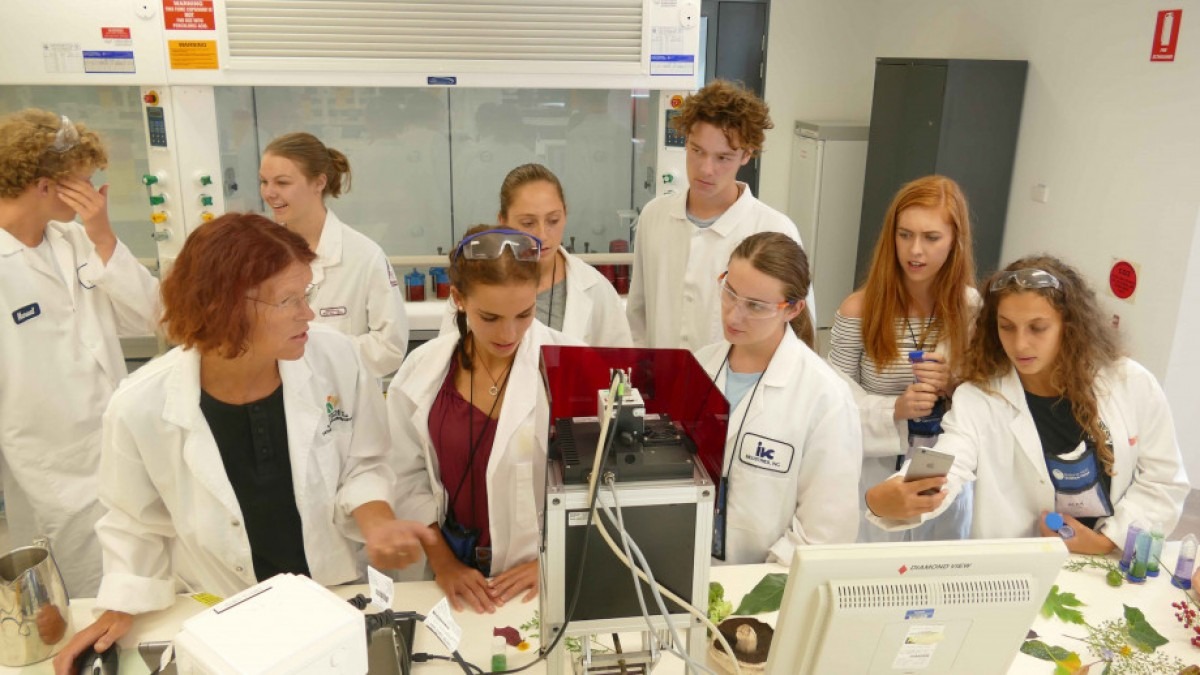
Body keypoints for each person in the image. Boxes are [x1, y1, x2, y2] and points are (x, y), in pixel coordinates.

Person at [54, 213, 433, 674]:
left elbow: (365, 461)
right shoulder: (141, 405)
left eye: (307, 294)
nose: (308, 313)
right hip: (225, 611)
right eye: (289, 300)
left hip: (332, 593)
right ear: (224, 307)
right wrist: (122, 604)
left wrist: (377, 521)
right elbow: (134, 522)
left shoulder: (335, 358)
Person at [864, 255, 1189, 553]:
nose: (1020, 344)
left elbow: (1162, 481)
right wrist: (894, 493)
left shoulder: (1130, 383)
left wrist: (1107, 541)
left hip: (1110, 567)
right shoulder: (980, 400)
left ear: (1070, 326)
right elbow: (946, 460)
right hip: (1020, 569)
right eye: (1007, 327)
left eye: (1038, 328)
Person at [0, 109, 159, 597]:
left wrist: (105, 237)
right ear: (45, 185)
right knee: (73, 595)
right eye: (84, 180)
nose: (95, 190)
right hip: (47, 464)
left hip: (116, 446)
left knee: (138, 580)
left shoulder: (78, 239)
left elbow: (153, 316)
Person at [390, 226, 581, 614]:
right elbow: (405, 476)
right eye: (490, 317)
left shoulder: (572, 367)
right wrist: (443, 563)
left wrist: (553, 559)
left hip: (540, 581)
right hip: (452, 578)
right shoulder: (424, 370)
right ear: (458, 298)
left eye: (524, 314)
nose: (508, 333)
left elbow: (602, 489)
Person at [828, 176, 979, 542]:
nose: (915, 251)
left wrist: (952, 384)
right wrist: (895, 408)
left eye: (931, 238)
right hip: (874, 475)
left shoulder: (972, 308)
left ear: (955, 241)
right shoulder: (859, 310)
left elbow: (990, 401)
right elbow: (830, 405)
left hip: (942, 473)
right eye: (905, 234)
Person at [695, 233, 861, 564]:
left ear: (794, 308)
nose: (734, 315)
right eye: (730, 293)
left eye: (756, 306)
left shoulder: (824, 396)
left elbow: (825, 530)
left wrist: (756, 590)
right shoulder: (698, 366)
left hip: (768, 590)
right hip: (685, 571)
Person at [626, 80, 814, 350]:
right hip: (662, 383)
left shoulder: (775, 229)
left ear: (747, 154)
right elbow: (638, 317)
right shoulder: (654, 216)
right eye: (697, 150)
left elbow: (799, 336)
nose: (706, 169)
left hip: (740, 389)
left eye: (723, 158)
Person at [260, 132, 408, 380]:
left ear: (319, 183)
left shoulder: (363, 256)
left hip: (339, 400)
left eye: (282, 183)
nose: (269, 193)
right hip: (276, 395)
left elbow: (389, 348)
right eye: (264, 182)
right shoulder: (259, 253)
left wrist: (314, 354)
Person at [438, 163, 632, 346]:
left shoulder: (596, 289)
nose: (542, 235)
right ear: (502, 222)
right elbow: (448, 360)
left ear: (565, 214)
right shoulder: (478, 281)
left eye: (553, 220)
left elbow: (620, 368)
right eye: (528, 223)